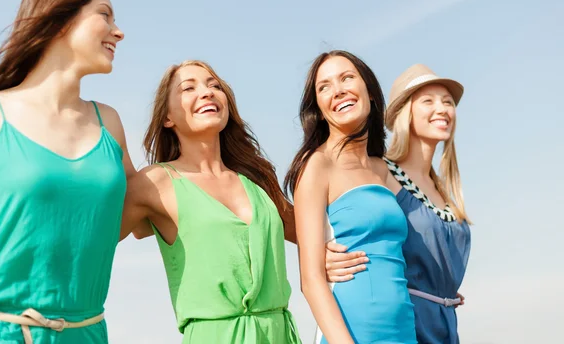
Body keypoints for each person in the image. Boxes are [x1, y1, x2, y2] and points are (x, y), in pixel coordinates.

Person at [0, 0, 134, 343]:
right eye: (105, 15)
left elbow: (138, 210)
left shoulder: (111, 124)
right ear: (60, 21)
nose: (118, 32)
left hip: (87, 333)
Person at [120, 60, 301, 343]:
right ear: (167, 117)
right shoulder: (155, 182)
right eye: (188, 88)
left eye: (214, 86)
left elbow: (311, 234)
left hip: (278, 333)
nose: (207, 92)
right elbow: (93, 243)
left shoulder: (257, 177)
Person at [325, 64, 472, 344]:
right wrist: (323, 252)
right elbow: (336, 217)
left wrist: (443, 288)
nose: (442, 109)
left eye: (448, 102)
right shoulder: (382, 172)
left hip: (445, 326)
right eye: (428, 101)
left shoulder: (445, 190)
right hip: (402, 322)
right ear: (405, 113)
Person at [285, 50, 416, 344]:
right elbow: (312, 281)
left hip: (404, 331)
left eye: (347, 78)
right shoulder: (317, 165)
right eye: (325, 87)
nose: (338, 90)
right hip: (350, 333)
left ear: (369, 92)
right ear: (318, 109)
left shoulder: (384, 169)